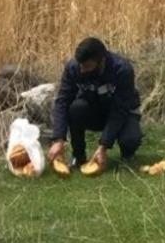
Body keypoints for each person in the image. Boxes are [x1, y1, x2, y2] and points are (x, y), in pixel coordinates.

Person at [48, 37, 142, 172]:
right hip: (95, 111)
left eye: (87, 66)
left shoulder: (122, 70)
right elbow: (62, 102)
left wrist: (103, 145)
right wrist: (58, 139)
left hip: (122, 113)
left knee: (130, 138)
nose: (82, 70)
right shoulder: (74, 68)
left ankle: (128, 156)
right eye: (80, 65)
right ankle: (78, 157)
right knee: (76, 109)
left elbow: (120, 110)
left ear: (101, 61)